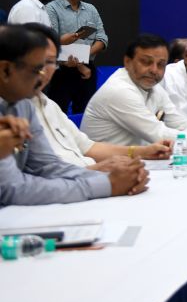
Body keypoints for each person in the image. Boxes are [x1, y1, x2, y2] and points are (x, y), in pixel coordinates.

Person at [0, 25, 148, 205]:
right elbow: (12, 188)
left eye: (50, 64)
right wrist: (108, 184)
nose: (43, 76)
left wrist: (119, 178)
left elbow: (48, 166)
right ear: (6, 70)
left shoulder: (24, 103)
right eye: (36, 69)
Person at [24, 22, 172, 167]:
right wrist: (98, 172)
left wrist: (143, 152)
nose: (43, 71)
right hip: (80, 181)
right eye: (36, 63)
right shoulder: (13, 113)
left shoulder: (48, 105)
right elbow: (41, 176)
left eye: (50, 62)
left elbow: (89, 147)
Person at [82, 34, 187, 146]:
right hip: (103, 169)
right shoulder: (119, 91)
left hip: (136, 163)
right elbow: (158, 134)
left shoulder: (153, 87)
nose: (154, 70)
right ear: (127, 62)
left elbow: (181, 124)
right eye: (146, 62)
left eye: (161, 64)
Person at [45, 0, 108, 112]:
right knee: (58, 114)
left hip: (87, 70)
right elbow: (52, 40)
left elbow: (102, 38)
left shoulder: (91, 9)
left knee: (85, 115)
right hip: (62, 70)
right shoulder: (52, 9)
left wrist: (84, 56)